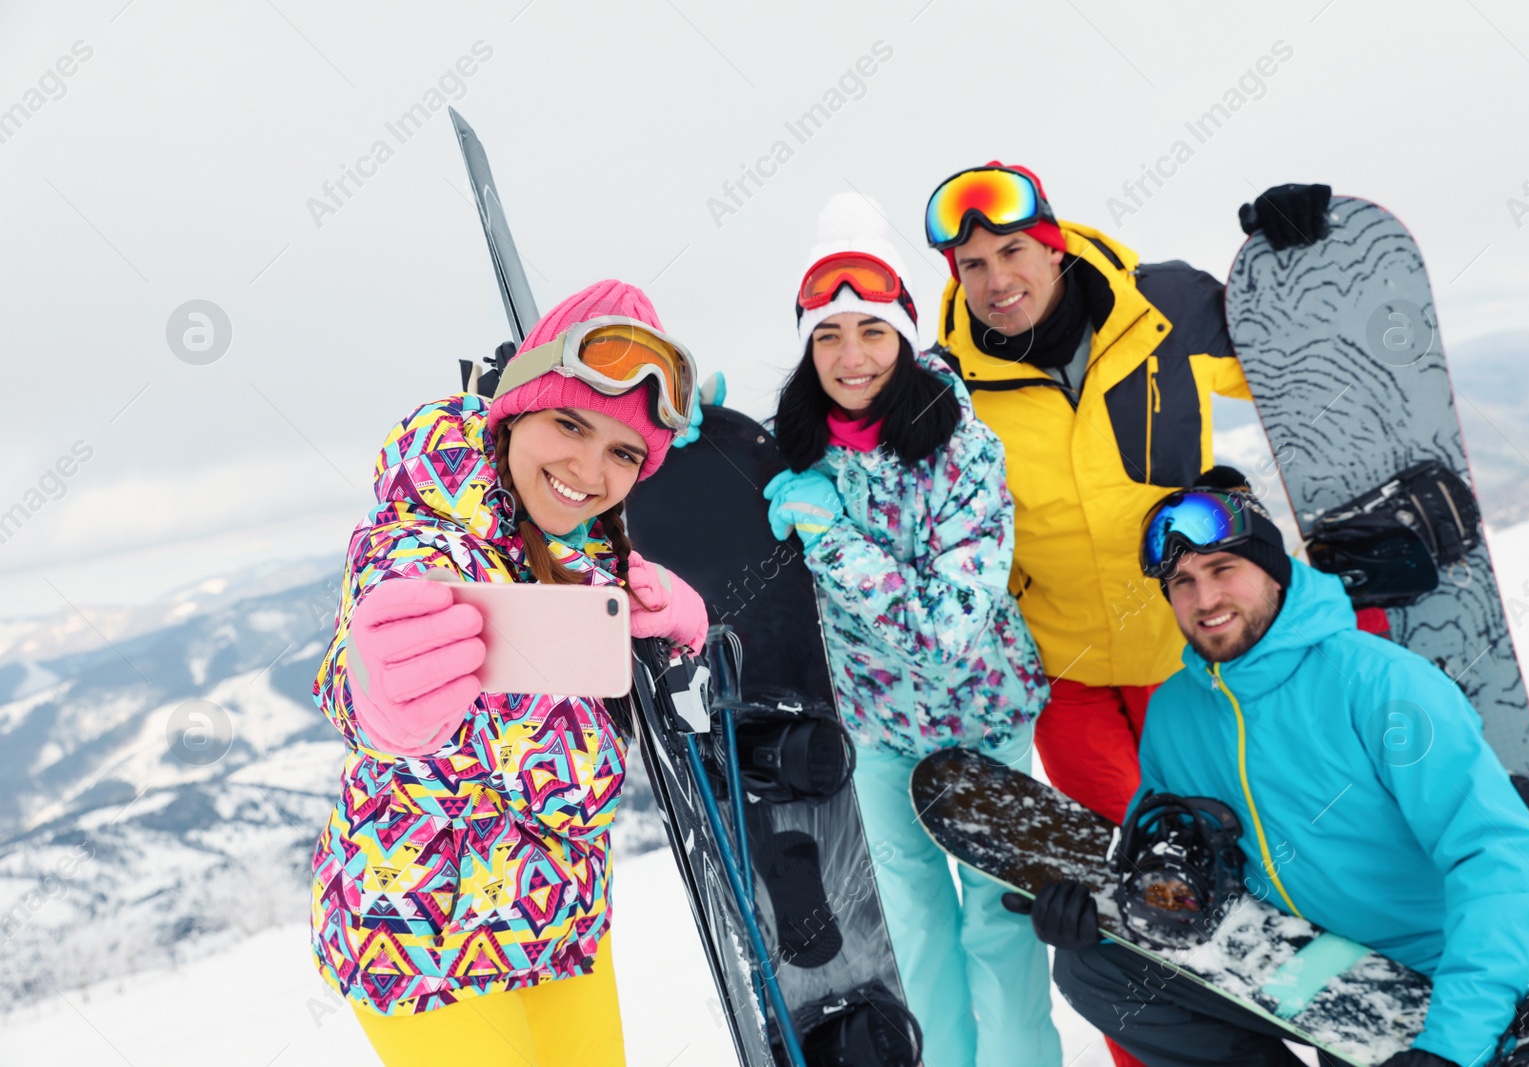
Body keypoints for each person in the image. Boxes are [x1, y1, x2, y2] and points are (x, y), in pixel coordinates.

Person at [1012, 467, 1529, 1067]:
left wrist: (1450, 1047)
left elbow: (1505, 866)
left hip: (1426, 978)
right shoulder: (1176, 712)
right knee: (1095, 966)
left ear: (1272, 570)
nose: (1204, 600)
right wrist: (1105, 911)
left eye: (1224, 570)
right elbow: (1180, 861)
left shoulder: (1382, 683)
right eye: (1181, 582)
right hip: (1300, 966)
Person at [308, 280, 708, 1067]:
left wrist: (678, 630)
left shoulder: (582, 549)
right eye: (569, 422)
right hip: (421, 941)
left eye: (623, 452)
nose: (588, 469)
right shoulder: (426, 530)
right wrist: (373, 694)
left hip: (554, 920)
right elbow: (372, 630)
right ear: (515, 408)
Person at [923, 164, 1336, 826]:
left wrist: (1299, 260)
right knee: (1136, 867)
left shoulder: (1166, 307)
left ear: (1052, 244)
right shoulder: (946, 385)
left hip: (1191, 650)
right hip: (1064, 674)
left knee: (1246, 835)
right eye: (971, 264)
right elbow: (855, 440)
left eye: (1011, 251)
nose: (995, 280)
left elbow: (1287, 365)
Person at [763, 197, 1059, 1067]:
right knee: (914, 940)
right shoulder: (799, 449)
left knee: (999, 937)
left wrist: (833, 541)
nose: (850, 357)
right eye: (827, 336)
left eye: (870, 331)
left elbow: (946, 634)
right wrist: (688, 438)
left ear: (905, 336)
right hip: (883, 740)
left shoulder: (963, 446)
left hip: (985, 729)